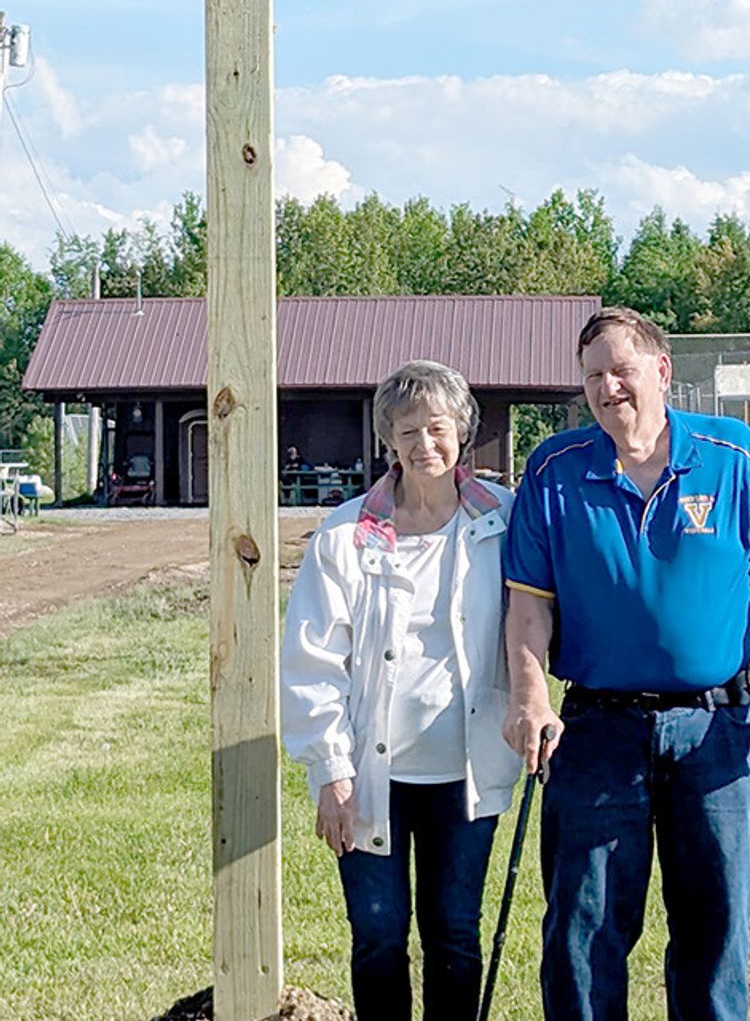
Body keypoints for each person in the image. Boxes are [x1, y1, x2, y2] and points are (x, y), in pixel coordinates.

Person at [503, 306, 750, 1021]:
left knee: (715, 927)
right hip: (595, 730)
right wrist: (529, 695)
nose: (608, 386)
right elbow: (528, 605)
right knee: (584, 933)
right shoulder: (554, 471)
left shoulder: (733, 455)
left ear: (661, 370)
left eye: (621, 368)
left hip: (717, 728)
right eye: (592, 376)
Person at [281, 359, 521, 1021]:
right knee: (379, 936)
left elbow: (537, 616)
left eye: (438, 427)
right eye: (408, 429)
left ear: (462, 432)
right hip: (370, 774)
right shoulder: (345, 534)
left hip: (466, 771)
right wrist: (330, 771)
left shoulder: (504, 519)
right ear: (389, 438)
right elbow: (311, 661)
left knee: (455, 932)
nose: (425, 444)